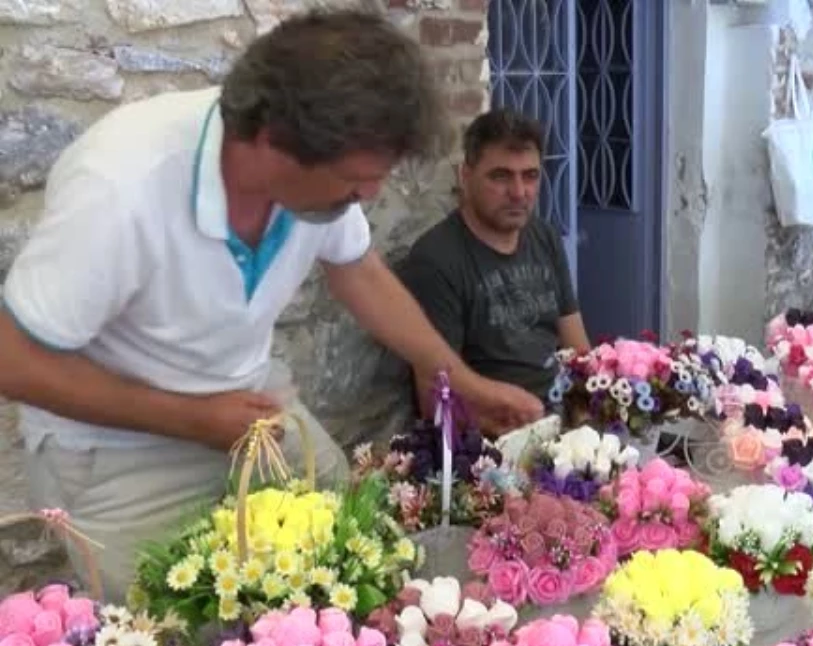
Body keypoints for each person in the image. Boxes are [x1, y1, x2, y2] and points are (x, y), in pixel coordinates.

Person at [0, 10, 544, 602]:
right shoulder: (121, 185)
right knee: (176, 631)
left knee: (360, 561)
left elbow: (357, 268)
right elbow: (13, 360)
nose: (369, 195)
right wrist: (193, 419)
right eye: (356, 180)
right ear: (272, 141)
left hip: (247, 413)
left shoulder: (317, 185)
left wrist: (457, 379)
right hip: (116, 455)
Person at [398, 109, 590, 433]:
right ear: (465, 175)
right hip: (498, 437)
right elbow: (435, 400)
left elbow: (578, 348)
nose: (519, 192)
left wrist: (591, 421)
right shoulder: (436, 260)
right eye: (500, 176)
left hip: (564, 417)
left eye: (530, 176)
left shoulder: (544, 237)